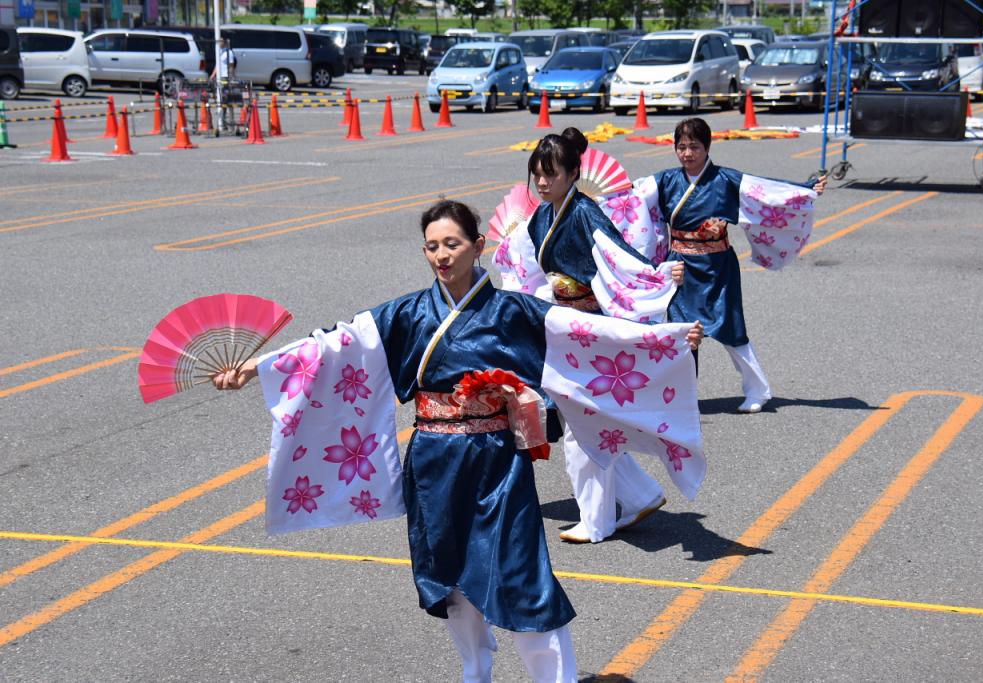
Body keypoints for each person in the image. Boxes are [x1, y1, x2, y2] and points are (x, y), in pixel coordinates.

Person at [212, 200, 705, 682]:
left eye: (452, 243)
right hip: (432, 461)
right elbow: (331, 344)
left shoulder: (512, 310)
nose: (441, 255)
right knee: (448, 574)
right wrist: (256, 368)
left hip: (496, 462)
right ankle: (475, 672)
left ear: (478, 245)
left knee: (522, 572)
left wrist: (666, 339)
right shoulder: (406, 313)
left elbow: (589, 333)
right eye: (431, 247)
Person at [497, 127, 699, 545]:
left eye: (551, 174)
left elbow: (621, 260)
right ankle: (640, 495)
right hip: (566, 330)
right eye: (537, 173)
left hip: (593, 331)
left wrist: (658, 275)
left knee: (580, 429)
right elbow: (528, 268)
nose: (542, 182)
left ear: (573, 173)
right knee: (589, 424)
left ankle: (596, 520)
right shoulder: (541, 218)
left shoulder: (585, 214)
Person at [651, 117, 826, 413]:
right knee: (681, 331)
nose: (687, 153)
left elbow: (766, 190)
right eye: (681, 147)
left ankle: (757, 389)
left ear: (707, 147)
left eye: (694, 146)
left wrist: (804, 188)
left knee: (730, 328)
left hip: (718, 266)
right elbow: (631, 198)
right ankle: (683, 395)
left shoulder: (726, 180)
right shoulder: (666, 181)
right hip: (680, 266)